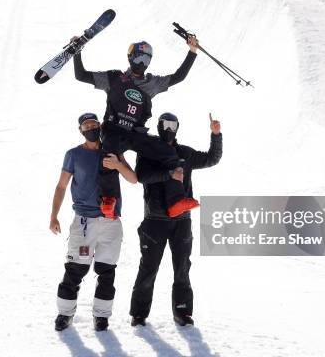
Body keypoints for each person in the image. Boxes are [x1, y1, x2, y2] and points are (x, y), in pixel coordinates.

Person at [71, 35, 201, 219]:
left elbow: (178, 77)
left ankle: (176, 201)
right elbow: (81, 75)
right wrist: (77, 52)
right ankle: (108, 200)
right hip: (114, 130)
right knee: (108, 158)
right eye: (139, 57)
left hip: (136, 133)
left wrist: (192, 51)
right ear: (130, 57)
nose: (142, 62)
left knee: (170, 153)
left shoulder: (152, 83)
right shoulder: (115, 78)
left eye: (147, 58)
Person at [130, 112, 222, 327]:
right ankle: (139, 314)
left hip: (182, 221)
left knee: (182, 267)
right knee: (149, 267)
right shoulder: (148, 152)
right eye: (165, 124)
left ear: (178, 127)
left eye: (173, 124)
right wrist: (168, 174)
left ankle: (182, 312)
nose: (169, 128)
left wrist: (216, 135)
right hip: (155, 220)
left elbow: (212, 158)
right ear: (159, 126)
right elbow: (141, 176)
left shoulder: (185, 153)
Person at [50, 112, 137, 332]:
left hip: (111, 221)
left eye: (94, 124)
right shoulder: (73, 154)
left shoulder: (112, 151)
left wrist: (117, 164)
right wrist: (54, 216)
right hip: (83, 222)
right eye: (86, 125)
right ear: (81, 130)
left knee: (106, 271)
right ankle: (65, 314)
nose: (90, 128)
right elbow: (61, 186)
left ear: (99, 126)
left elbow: (133, 179)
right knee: (75, 270)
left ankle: (101, 317)